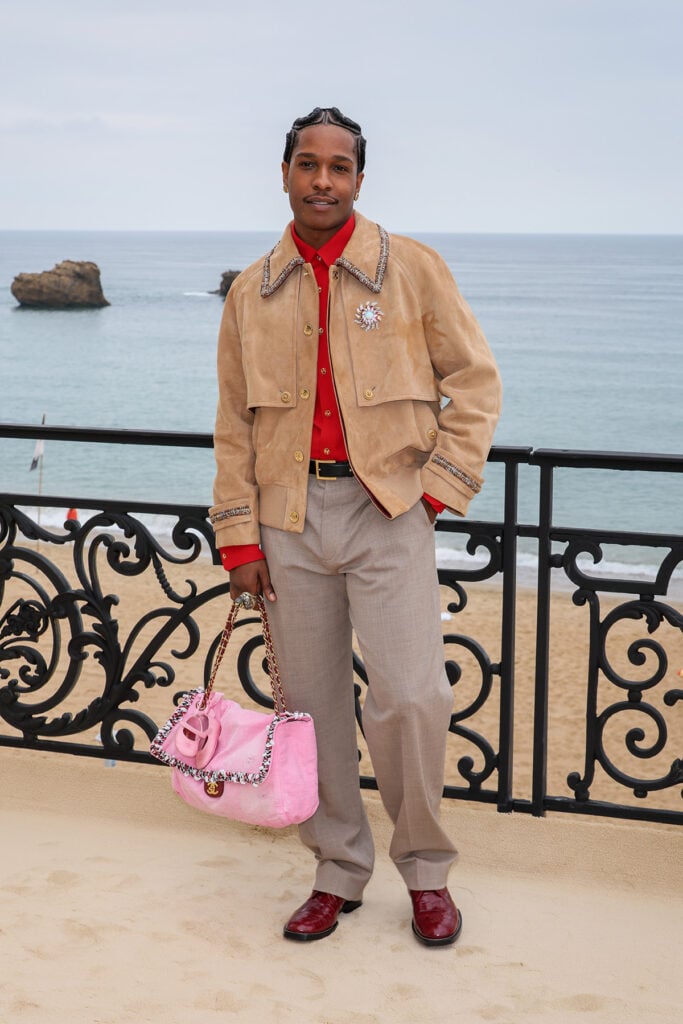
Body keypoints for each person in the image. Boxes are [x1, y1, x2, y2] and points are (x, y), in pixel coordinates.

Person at [210, 106, 502, 946]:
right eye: (308, 164)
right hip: (286, 523)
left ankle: (426, 872)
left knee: (412, 698)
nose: (322, 180)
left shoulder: (411, 268)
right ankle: (337, 870)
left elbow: (474, 384)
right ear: (285, 174)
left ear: (359, 180)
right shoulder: (251, 290)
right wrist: (239, 537)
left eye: (338, 167)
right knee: (310, 711)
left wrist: (434, 493)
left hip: (390, 513)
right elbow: (233, 424)